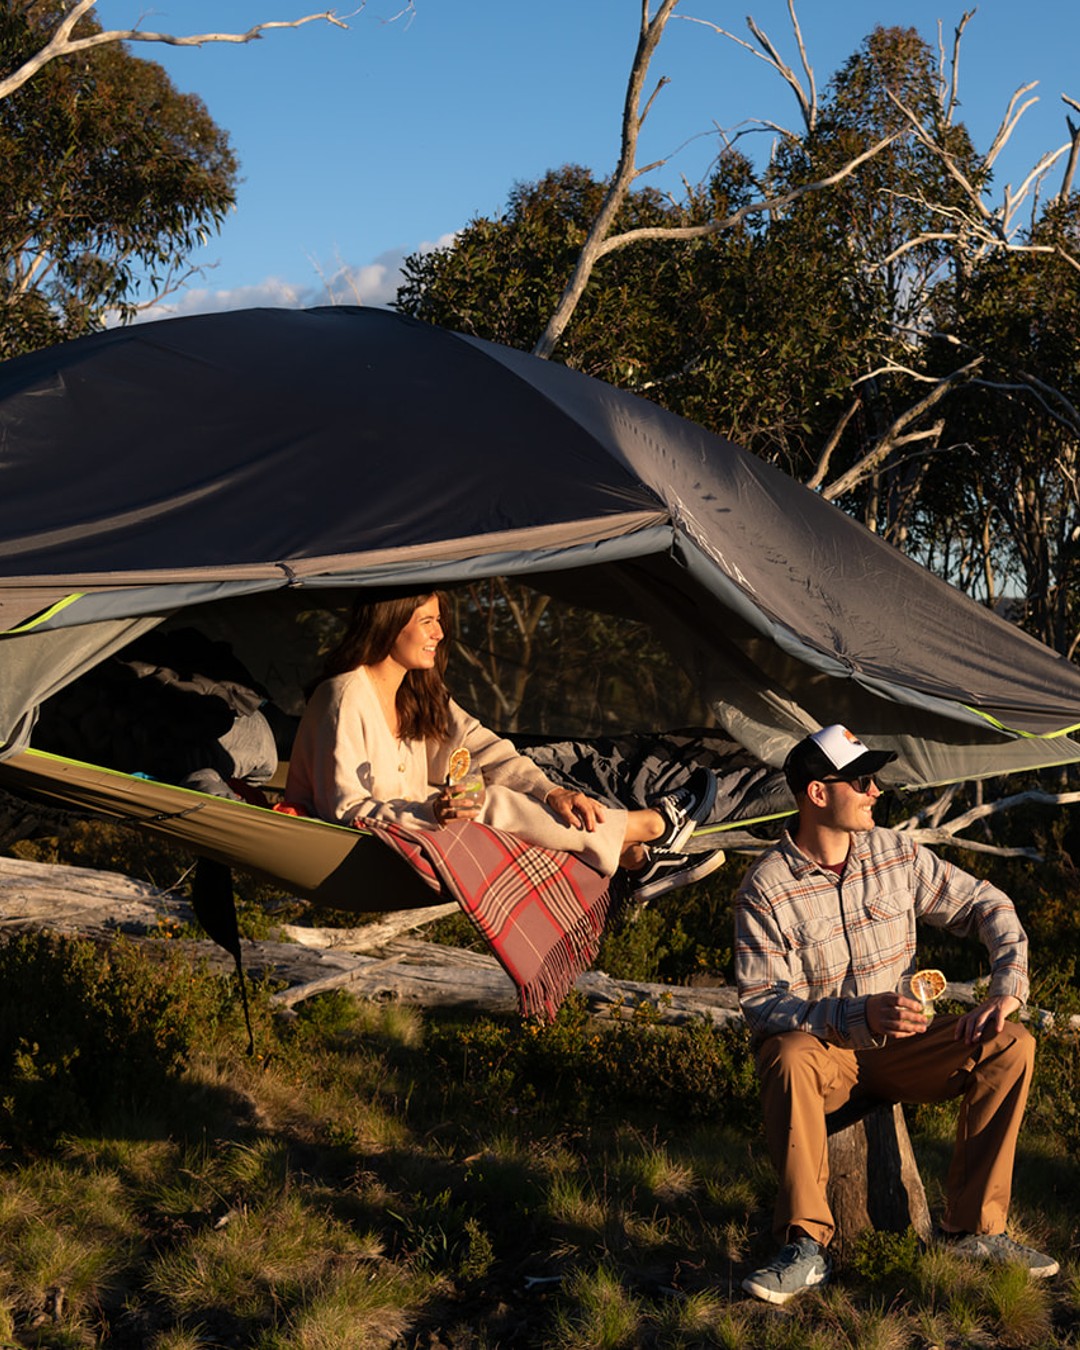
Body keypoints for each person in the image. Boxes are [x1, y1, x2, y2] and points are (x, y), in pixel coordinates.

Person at [735, 723, 1057, 1306]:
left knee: (1013, 1045)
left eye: (874, 777)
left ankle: (974, 1230)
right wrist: (857, 1015)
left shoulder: (897, 854)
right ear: (817, 793)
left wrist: (1005, 988)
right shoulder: (766, 886)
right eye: (861, 779)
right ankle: (805, 1245)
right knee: (785, 1055)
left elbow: (990, 904)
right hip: (825, 1057)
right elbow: (762, 1004)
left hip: (904, 1048)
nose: (876, 790)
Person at [285, 591, 726, 899]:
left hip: (413, 830)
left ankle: (635, 858)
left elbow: (483, 748)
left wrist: (551, 791)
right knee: (487, 803)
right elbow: (345, 810)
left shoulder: (418, 692)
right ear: (388, 623)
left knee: (493, 786)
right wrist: (430, 812)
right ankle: (649, 826)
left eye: (440, 621)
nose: (440, 634)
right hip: (359, 853)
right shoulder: (343, 696)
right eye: (427, 621)